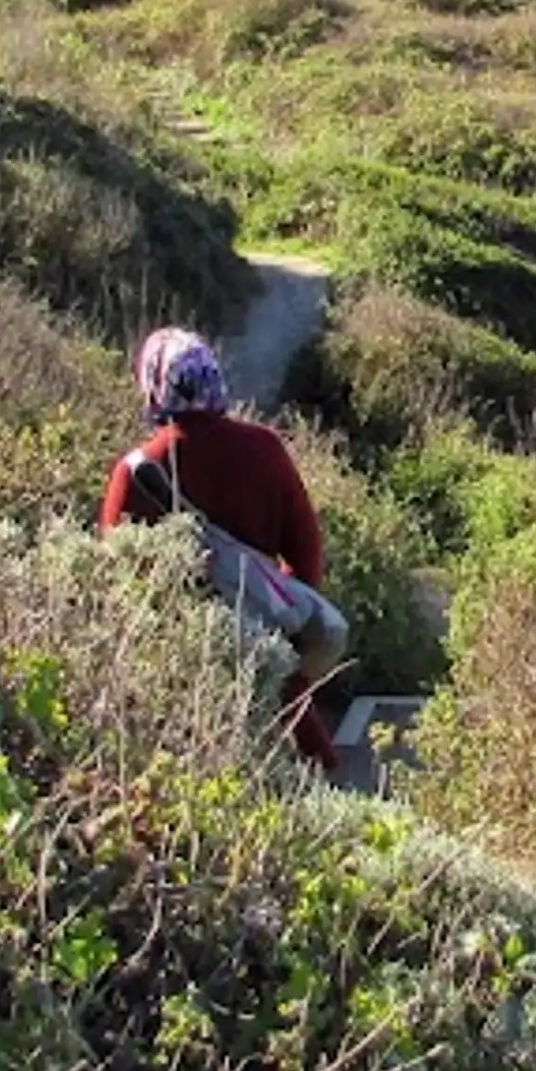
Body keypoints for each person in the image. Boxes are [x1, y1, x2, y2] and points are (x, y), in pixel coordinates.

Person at [98, 326, 349, 769]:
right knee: (312, 768)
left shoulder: (138, 472)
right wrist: (272, 615)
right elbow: (306, 553)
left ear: (154, 386)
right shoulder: (266, 450)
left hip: (179, 675)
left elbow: (117, 583)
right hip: (268, 662)